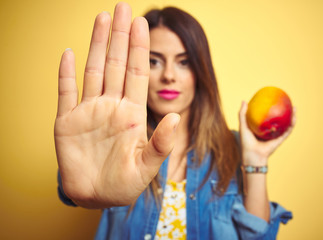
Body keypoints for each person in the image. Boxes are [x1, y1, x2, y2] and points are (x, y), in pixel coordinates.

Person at [55, 2, 295, 239]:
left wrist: (255, 161)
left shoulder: (233, 149)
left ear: (200, 72)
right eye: (154, 61)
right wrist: (82, 186)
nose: (169, 76)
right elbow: (78, 186)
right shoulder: (114, 147)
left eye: (183, 62)